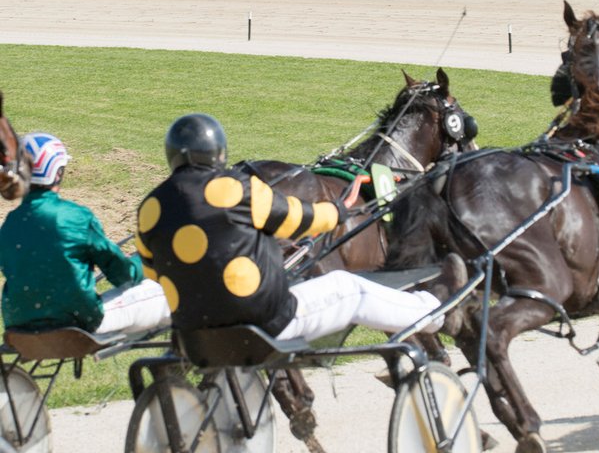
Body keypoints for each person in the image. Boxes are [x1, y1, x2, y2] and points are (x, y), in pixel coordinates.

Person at [135, 113, 465, 344]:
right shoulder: (236, 188)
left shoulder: (149, 207)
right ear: (218, 153)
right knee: (349, 288)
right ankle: (434, 310)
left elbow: (156, 277)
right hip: (266, 321)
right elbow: (298, 220)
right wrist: (336, 212)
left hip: (193, 331)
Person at [0, 132, 170, 337]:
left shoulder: (9, 224)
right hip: (79, 321)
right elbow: (122, 275)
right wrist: (142, 263)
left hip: (17, 324)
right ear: (58, 172)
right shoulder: (76, 217)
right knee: (167, 295)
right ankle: (174, 360)